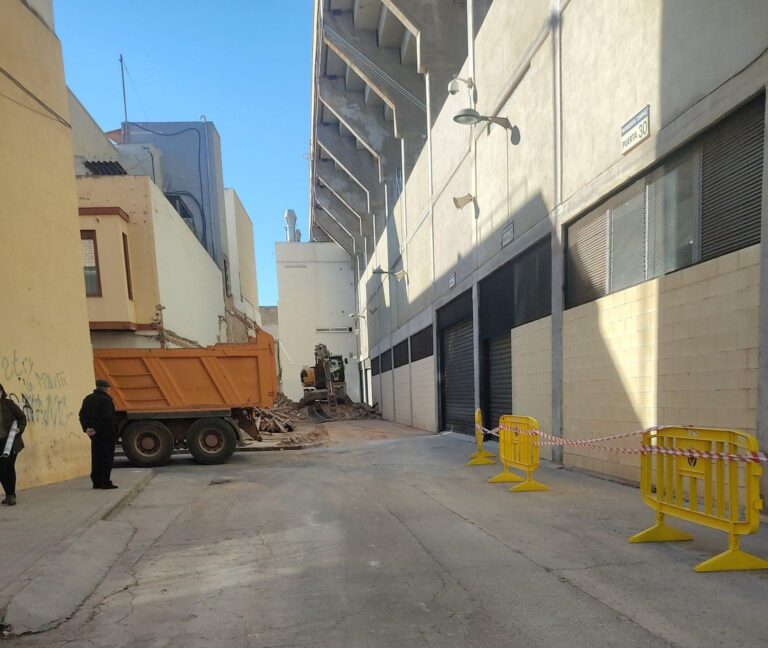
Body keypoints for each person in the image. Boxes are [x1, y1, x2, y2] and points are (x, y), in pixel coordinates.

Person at [79, 379, 118, 490]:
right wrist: (96, 429)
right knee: (106, 458)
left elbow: (82, 415)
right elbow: (107, 418)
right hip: (106, 434)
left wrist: (87, 428)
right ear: (105, 389)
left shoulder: (88, 399)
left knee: (96, 458)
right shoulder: (106, 400)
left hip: (94, 435)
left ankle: (96, 482)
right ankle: (105, 482)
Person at [0, 383, 28, 506]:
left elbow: (22, 418)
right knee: (1, 470)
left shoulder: (9, 404)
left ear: (2, 392)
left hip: (10, 441)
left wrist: (19, 429)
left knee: (8, 467)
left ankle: (11, 495)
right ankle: (8, 494)